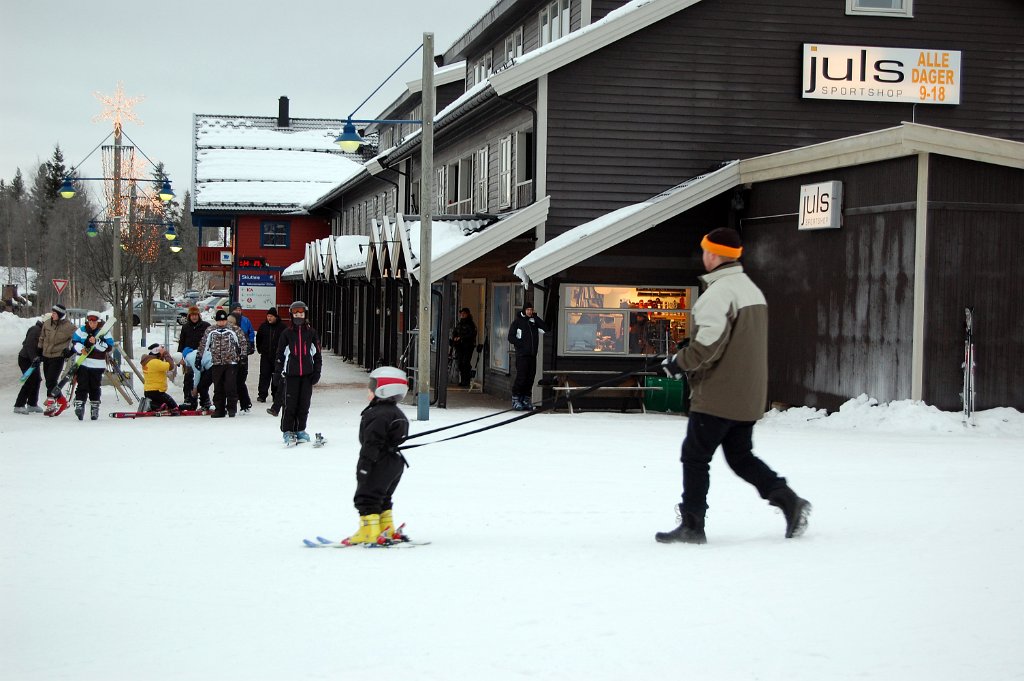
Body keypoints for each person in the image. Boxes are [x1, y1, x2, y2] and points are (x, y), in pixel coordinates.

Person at [656, 227, 811, 545]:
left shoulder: (719, 293)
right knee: (740, 457)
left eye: (705, 251)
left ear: (713, 255)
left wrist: (678, 362)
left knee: (695, 456)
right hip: (748, 393)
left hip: (718, 394)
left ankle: (692, 526)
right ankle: (787, 499)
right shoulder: (750, 289)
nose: (703, 256)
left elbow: (708, 347)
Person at [342, 366, 411, 546]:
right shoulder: (397, 413)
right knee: (383, 496)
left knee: (367, 496)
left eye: (372, 385)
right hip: (395, 462)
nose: (369, 389)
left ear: (384, 389)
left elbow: (371, 443)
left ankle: (369, 531)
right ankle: (386, 527)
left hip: (379, 461)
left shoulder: (378, 414)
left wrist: (364, 466)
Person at [276, 301, 322, 444]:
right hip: (291, 375)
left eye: (301, 314)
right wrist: (278, 373)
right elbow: (280, 354)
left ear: (305, 315)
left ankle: (300, 429)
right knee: (290, 404)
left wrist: (317, 372)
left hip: (307, 375)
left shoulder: (311, 333)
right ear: (291, 315)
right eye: (296, 314)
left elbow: (317, 354)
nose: (299, 316)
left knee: (304, 404)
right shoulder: (287, 333)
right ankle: (288, 430)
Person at [198, 309, 247, 418]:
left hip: (231, 362)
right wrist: (199, 357)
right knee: (218, 387)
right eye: (219, 321)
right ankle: (219, 409)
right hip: (216, 362)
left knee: (230, 386)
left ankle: (231, 408)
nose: (221, 323)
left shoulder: (234, 329)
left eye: (223, 321)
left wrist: (243, 356)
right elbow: (203, 344)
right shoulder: (211, 330)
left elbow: (242, 343)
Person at [70, 311, 114, 421]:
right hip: (83, 362)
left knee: (95, 386)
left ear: (98, 322)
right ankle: (80, 405)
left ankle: (95, 407)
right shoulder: (81, 330)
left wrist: (97, 342)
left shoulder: (104, 332)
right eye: (90, 321)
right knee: (82, 385)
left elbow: (108, 347)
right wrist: (81, 349)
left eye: (94, 322)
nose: (92, 324)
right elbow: (74, 342)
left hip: (97, 364)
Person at [507, 302, 548, 410]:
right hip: (522, 355)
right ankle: (516, 398)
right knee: (521, 377)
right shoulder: (518, 322)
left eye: (531, 310)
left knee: (530, 378)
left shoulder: (534, 322)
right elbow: (511, 337)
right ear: (524, 310)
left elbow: (546, 328)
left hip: (532, 355)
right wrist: (521, 344)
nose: (530, 312)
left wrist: (536, 318)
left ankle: (526, 399)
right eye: (528, 310)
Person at [176, 305, 211, 410]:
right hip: (188, 357)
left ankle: (205, 401)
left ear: (199, 315)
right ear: (189, 316)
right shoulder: (186, 327)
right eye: (192, 315)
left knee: (201, 380)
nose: (194, 317)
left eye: (196, 315)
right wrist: (179, 356)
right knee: (188, 379)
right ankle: (189, 399)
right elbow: (181, 342)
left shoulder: (206, 326)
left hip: (202, 357)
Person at [38, 304, 75, 397]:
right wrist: (39, 350)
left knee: (51, 380)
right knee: (48, 382)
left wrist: (71, 351)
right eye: (52, 312)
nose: (52, 315)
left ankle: (52, 401)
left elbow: (79, 338)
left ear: (60, 315)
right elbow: (42, 337)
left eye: (54, 313)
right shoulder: (47, 323)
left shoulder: (69, 326)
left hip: (58, 357)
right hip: (46, 356)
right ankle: (58, 400)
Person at [14, 314, 46, 414]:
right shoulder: (35, 330)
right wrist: (35, 358)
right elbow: (29, 346)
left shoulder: (44, 331)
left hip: (33, 360)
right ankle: (19, 405)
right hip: (25, 359)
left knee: (37, 380)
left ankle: (32, 404)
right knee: (30, 380)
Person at [230, 302, 256, 412]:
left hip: (243, 354)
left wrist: (251, 344)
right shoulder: (228, 321)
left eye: (239, 310)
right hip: (230, 356)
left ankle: (245, 404)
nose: (238, 312)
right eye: (236, 310)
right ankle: (232, 403)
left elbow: (251, 333)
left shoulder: (246, 320)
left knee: (240, 380)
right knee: (231, 380)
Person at [255, 306, 284, 404]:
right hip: (266, 356)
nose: (269, 318)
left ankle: (275, 395)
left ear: (275, 316)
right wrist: (260, 349)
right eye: (268, 316)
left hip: (278, 356)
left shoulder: (282, 327)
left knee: (276, 376)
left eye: (271, 316)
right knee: (264, 375)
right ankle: (262, 395)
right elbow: (258, 339)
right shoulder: (263, 326)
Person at [140, 343, 179, 412]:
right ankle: (150, 405)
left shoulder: (147, 361)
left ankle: (153, 405)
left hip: (148, 391)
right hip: (157, 392)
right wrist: (166, 353)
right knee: (174, 408)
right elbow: (171, 366)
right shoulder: (155, 362)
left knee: (163, 406)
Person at [450, 307, 477, 388]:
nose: (462, 315)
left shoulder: (470, 324)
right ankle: (463, 380)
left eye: (464, 313)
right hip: (459, 346)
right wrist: (454, 337)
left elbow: (471, 334)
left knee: (465, 362)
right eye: (461, 314)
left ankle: (466, 380)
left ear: (467, 314)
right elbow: (454, 332)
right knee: (460, 363)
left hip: (467, 346)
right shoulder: (459, 323)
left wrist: (461, 337)